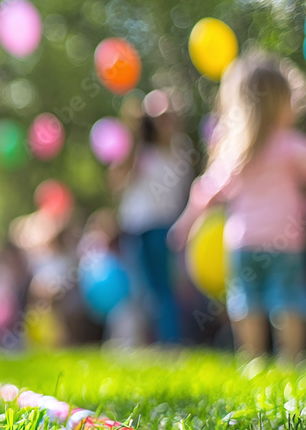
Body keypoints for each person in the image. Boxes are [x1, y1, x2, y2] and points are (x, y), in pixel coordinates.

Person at [169, 53, 306, 362]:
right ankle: (291, 359)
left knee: (246, 301)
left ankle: (253, 360)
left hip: (244, 242)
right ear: (281, 102)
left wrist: (184, 225)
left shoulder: (235, 151)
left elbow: (204, 192)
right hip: (285, 242)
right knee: (288, 299)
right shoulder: (290, 145)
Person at [109, 90, 193, 344]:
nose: (166, 122)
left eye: (169, 116)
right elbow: (116, 183)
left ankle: (170, 342)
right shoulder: (138, 152)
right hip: (138, 227)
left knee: (164, 289)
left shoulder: (181, 149)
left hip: (165, 227)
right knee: (143, 289)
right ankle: (142, 342)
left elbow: (183, 191)